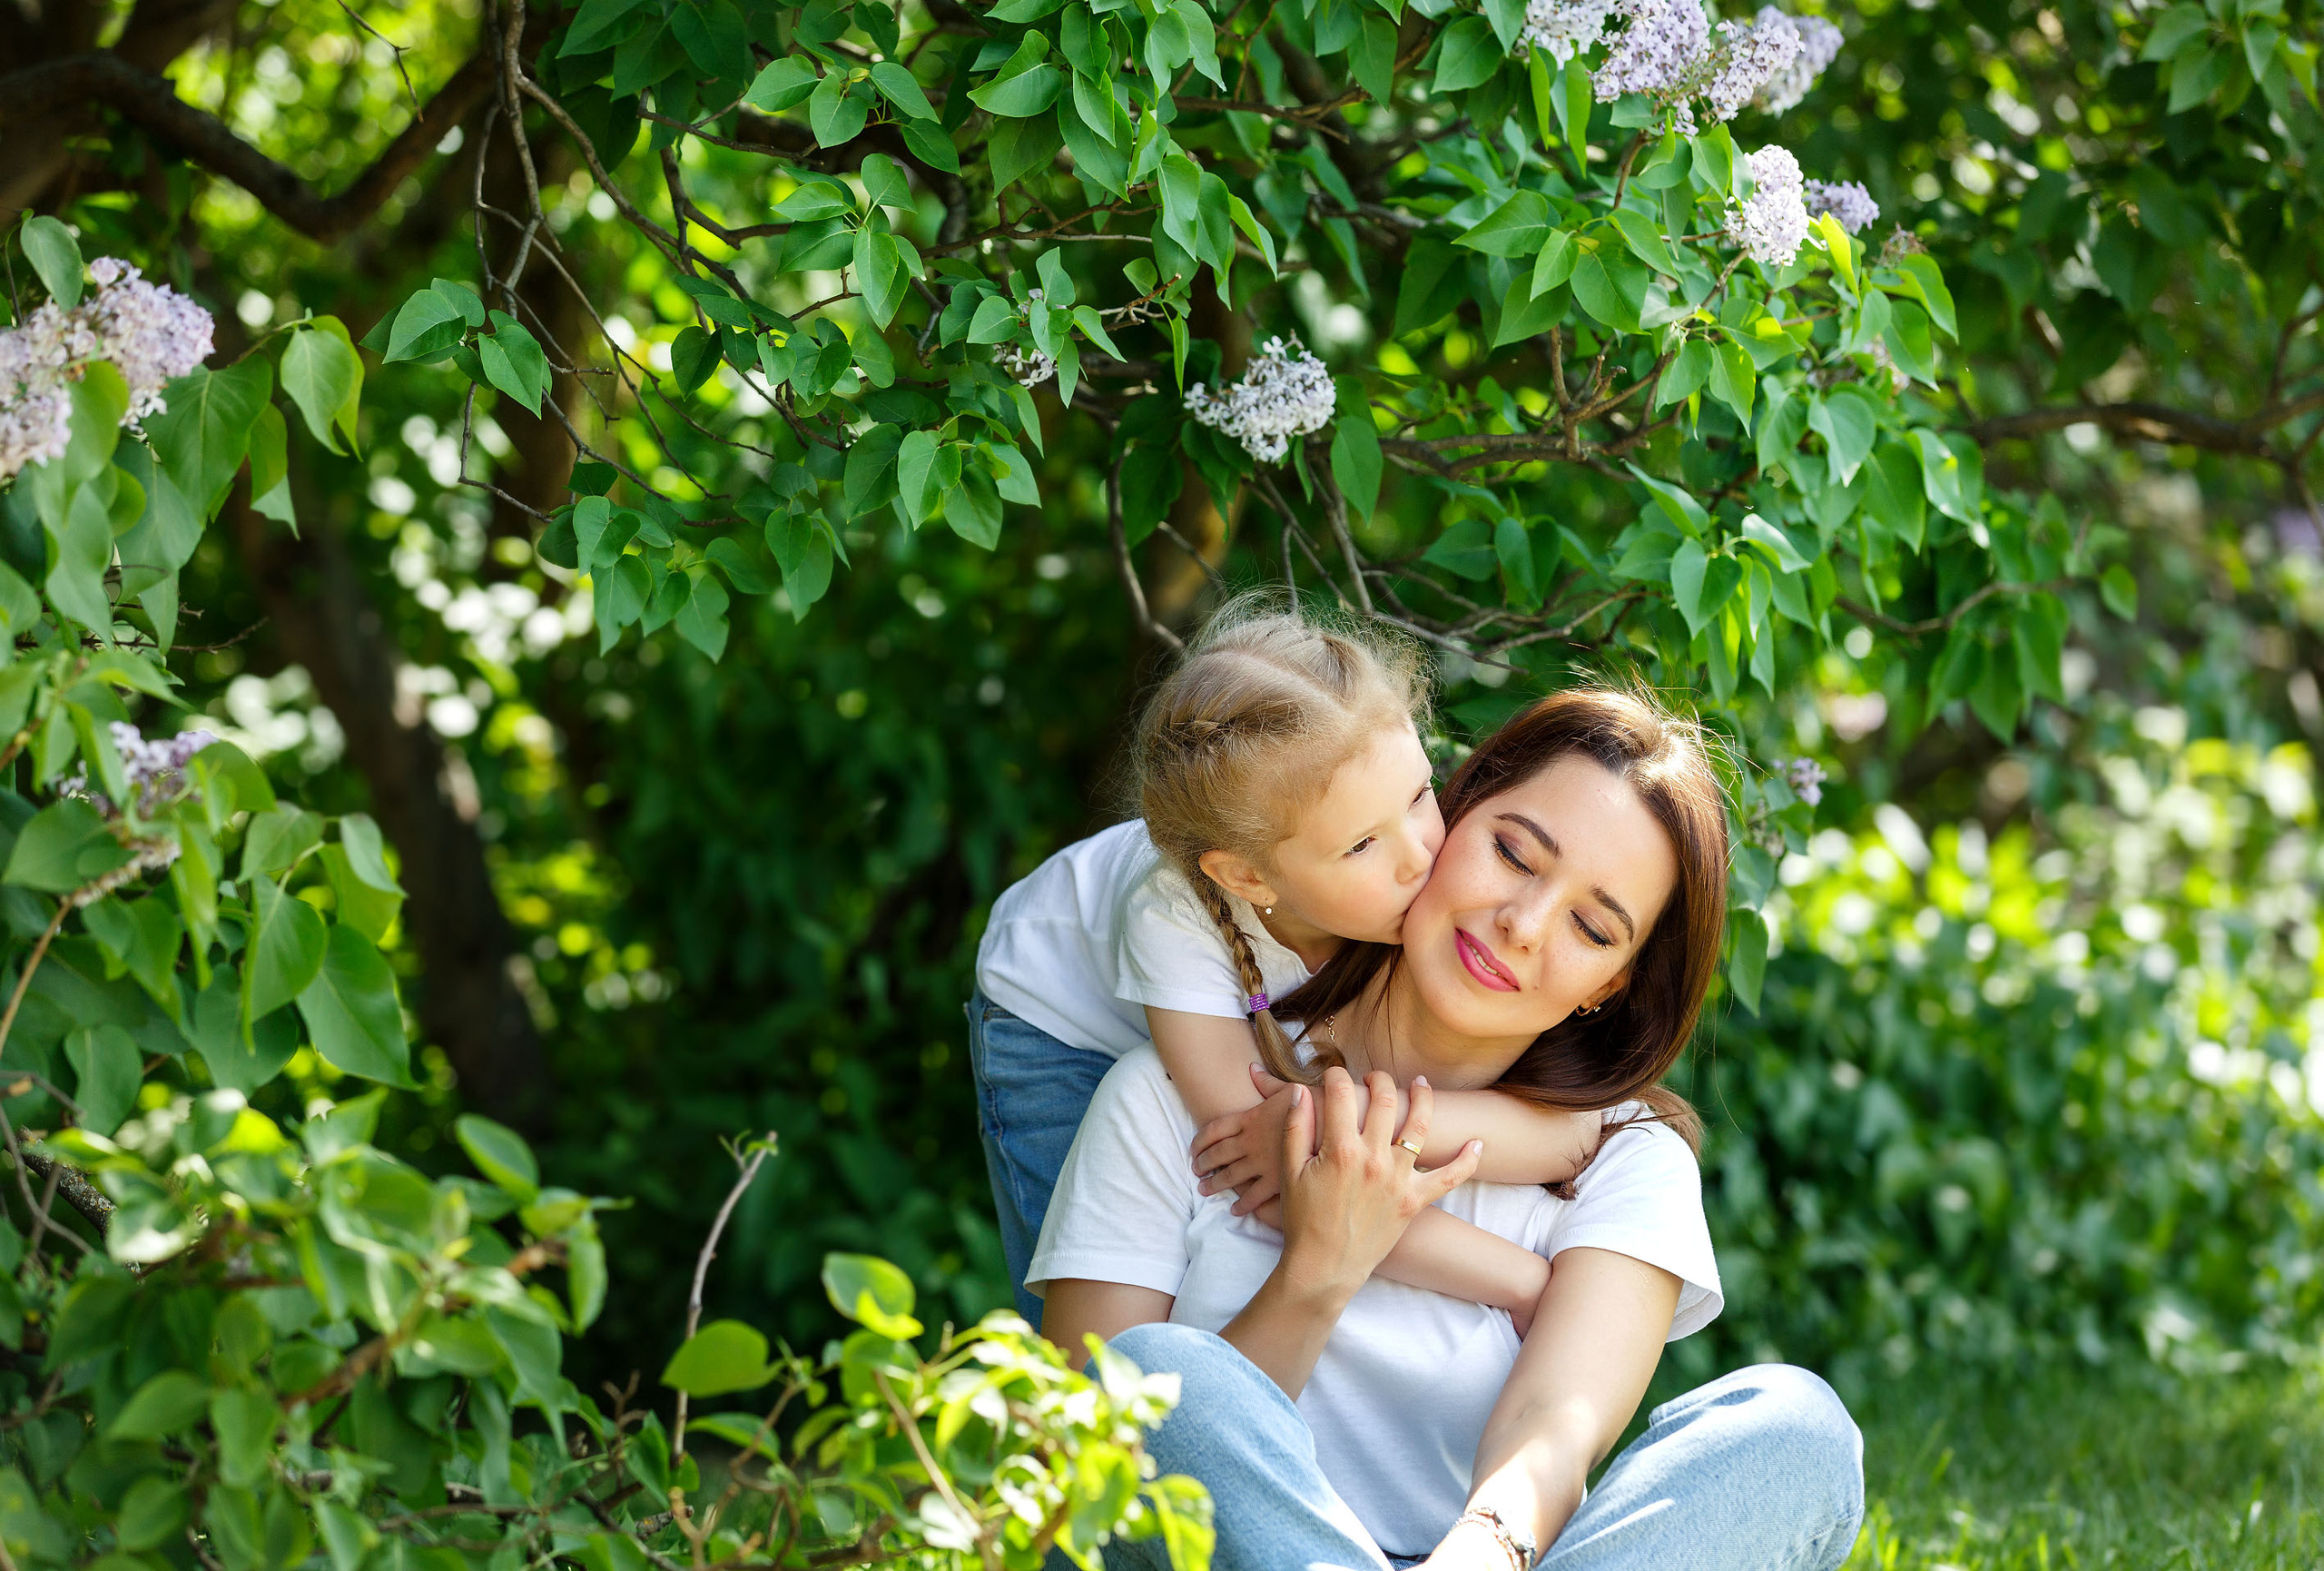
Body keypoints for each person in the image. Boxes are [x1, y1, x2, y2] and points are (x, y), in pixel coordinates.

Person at [1030, 688, 1866, 1571]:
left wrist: (1477, 1552)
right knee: (1159, 1381)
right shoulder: (1181, 1100)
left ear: (1610, 983)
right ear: (1445, 812)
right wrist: (1319, 1269)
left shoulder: (1624, 1158)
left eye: (1590, 926)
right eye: (1512, 852)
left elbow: (1552, 1428)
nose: (1523, 923)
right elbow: (1069, 1478)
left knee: (1796, 1431)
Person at [969, 598, 1601, 1328]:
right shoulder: (1171, 920)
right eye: (1363, 845)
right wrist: (1519, 1280)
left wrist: (1568, 1137)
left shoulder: (1376, 840)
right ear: (1248, 879)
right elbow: (1290, 1174)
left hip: (1208, 1003)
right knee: (1100, 1299)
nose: (1421, 854)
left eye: (1422, 793)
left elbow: (1568, 1131)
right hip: (1051, 1025)